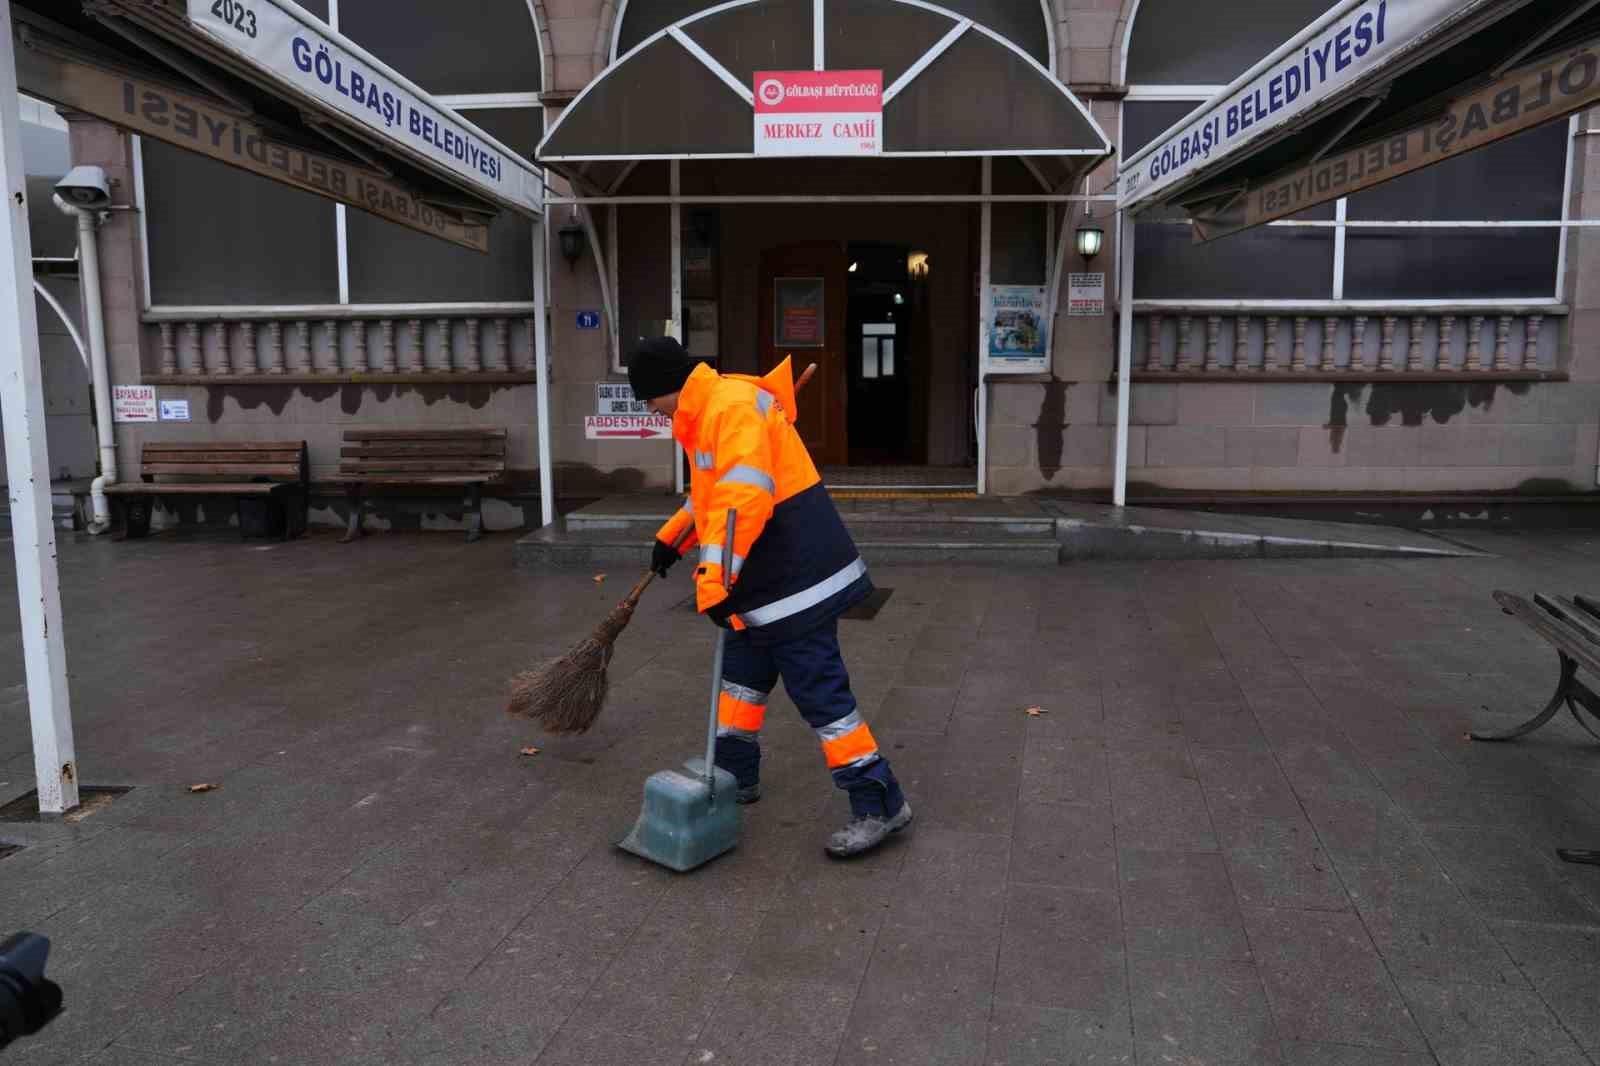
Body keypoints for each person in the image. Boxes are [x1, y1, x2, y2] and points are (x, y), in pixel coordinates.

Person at [628, 336, 911, 858]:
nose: (648, 409)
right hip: (763, 576)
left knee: (821, 696)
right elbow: (712, 495)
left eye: (649, 398)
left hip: (793, 578)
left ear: (670, 386)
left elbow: (743, 498)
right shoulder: (708, 409)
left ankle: (879, 802)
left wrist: (712, 579)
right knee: (742, 678)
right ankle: (736, 773)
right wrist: (674, 537)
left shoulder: (728, 408)